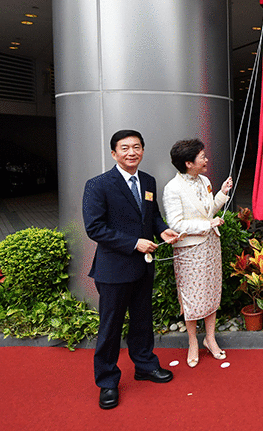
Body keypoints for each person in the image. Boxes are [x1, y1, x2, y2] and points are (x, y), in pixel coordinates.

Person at [82, 130, 180, 410]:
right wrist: (134, 243)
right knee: (110, 327)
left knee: (142, 321)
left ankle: (145, 366)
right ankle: (108, 382)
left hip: (142, 268)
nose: (131, 152)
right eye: (124, 148)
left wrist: (163, 232)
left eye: (136, 147)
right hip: (113, 269)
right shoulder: (98, 185)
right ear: (114, 153)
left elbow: (153, 217)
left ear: (143, 150)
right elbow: (95, 228)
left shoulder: (147, 180)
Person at [162, 139, 233, 368]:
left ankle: (210, 338)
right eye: (202, 157)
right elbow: (175, 223)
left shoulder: (205, 180)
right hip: (189, 250)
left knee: (211, 291)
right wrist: (207, 225)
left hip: (210, 246)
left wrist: (221, 194)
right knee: (192, 297)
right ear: (188, 163)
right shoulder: (172, 188)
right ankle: (193, 341)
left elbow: (208, 210)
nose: (206, 160)